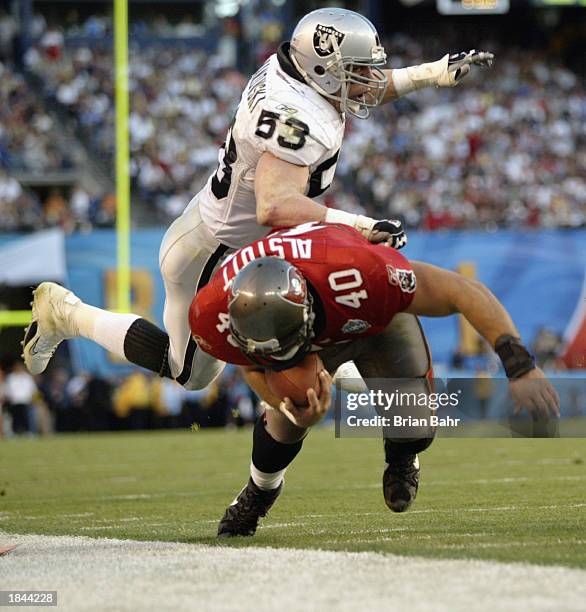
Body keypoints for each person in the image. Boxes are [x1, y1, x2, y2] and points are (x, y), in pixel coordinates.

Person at [22, 7, 492, 392]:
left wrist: (430, 73)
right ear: (324, 72)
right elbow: (274, 205)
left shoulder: (297, 73)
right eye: (358, 71)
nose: (368, 81)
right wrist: (361, 226)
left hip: (243, 241)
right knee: (190, 375)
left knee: (314, 321)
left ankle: (343, 375)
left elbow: (355, 89)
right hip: (221, 252)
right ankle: (68, 313)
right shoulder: (295, 118)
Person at [188, 222, 560, 537]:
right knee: (290, 409)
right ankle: (259, 492)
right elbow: (252, 367)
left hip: (367, 318)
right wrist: (288, 404)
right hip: (308, 327)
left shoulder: (362, 274)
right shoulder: (212, 315)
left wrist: (519, 365)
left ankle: (401, 457)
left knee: (414, 427)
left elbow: (461, 291)